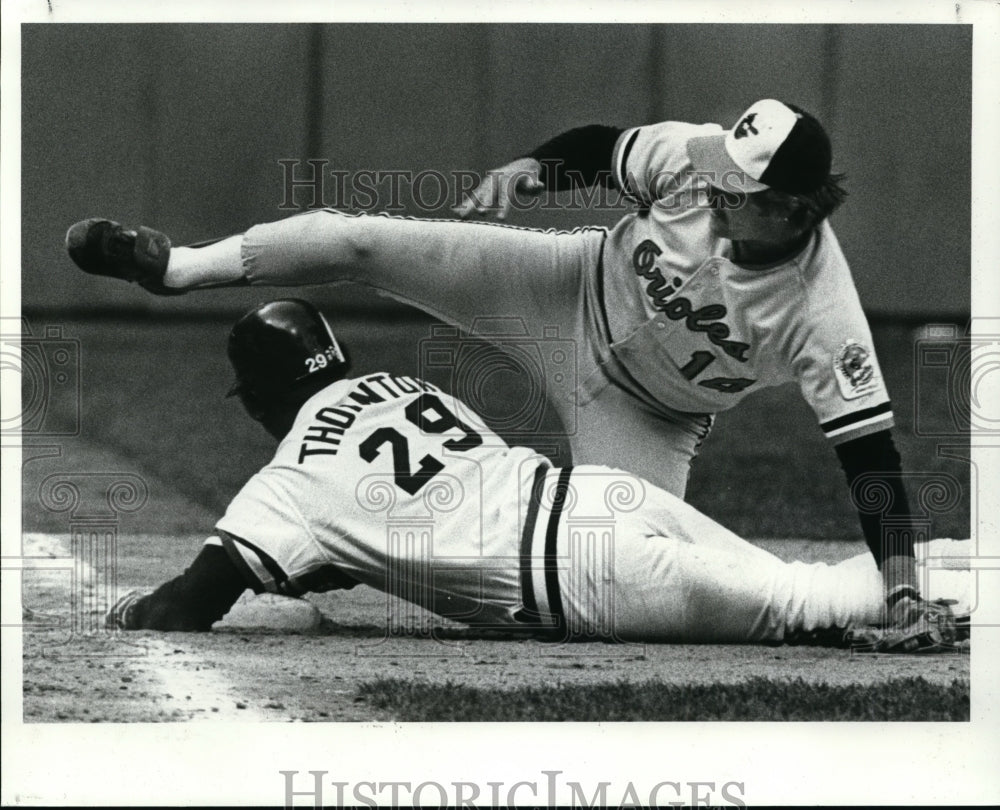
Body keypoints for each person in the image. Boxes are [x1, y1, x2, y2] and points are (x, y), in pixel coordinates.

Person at [71, 99, 929, 631]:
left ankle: (920, 584)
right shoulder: (699, 161)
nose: (714, 184)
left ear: (789, 208)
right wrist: (532, 170)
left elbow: (870, 455)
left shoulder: (824, 312)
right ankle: (179, 267)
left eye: (737, 188)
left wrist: (901, 580)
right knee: (366, 240)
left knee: (621, 579)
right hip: (561, 289)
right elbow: (604, 147)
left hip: (651, 417)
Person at [106, 299, 965, 652]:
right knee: (793, 584)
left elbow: (190, 605)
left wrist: (132, 611)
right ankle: (965, 558)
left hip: (584, 574)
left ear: (261, 396)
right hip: (602, 495)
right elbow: (398, 522)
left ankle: (973, 584)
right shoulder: (405, 385)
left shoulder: (286, 481)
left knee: (801, 606)